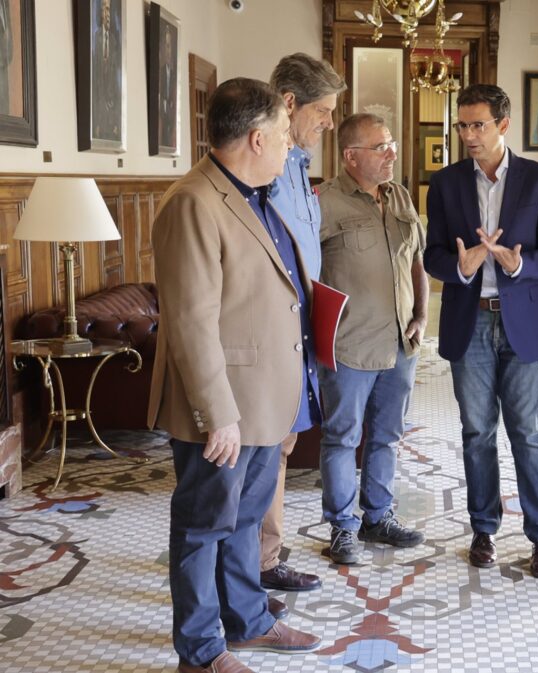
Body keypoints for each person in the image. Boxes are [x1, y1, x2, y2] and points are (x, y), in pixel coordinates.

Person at [149, 78, 322, 673]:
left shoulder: (253, 193)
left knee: (244, 522)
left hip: (262, 399)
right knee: (203, 527)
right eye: (281, 136)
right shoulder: (194, 202)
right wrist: (215, 413)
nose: (288, 148)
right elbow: (191, 321)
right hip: (221, 410)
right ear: (255, 138)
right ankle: (199, 653)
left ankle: (246, 622)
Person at [423, 83, 538, 579]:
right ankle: (483, 528)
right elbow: (433, 255)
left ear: (503, 125)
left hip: (524, 322)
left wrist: (519, 263)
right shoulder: (445, 184)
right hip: (470, 320)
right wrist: (460, 267)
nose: (468, 135)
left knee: (528, 432)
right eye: (462, 125)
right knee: (476, 432)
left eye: (477, 125)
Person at [316, 113, 428, 564]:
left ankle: (377, 517)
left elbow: (416, 259)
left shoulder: (398, 196)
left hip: (401, 343)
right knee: (343, 438)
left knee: (387, 435)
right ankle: (343, 528)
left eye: (392, 144)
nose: (392, 154)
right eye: (381, 147)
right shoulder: (323, 202)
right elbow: (304, 275)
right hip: (350, 344)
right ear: (350, 156)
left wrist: (422, 314)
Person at [258, 52, 345, 616]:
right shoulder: (262, 166)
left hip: (301, 335)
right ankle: (250, 571)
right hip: (270, 338)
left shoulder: (297, 164)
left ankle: (265, 559)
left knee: (281, 451)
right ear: (290, 104)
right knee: (260, 457)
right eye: (324, 110)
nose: (330, 122)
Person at [91, 0, 122, 141]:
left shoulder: (115, 42)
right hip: (99, 114)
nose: (107, 14)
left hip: (111, 115)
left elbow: (117, 85)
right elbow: (94, 82)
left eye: (109, 10)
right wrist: (96, 121)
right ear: (100, 13)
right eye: (104, 9)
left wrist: (116, 120)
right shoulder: (95, 39)